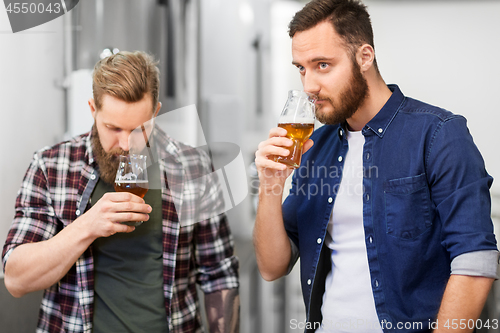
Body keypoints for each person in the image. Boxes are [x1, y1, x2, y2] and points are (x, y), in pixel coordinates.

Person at [253, 1, 498, 332]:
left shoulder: (438, 134)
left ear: (364, 57)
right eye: (301, 68)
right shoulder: (314, 149)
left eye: (322, 65)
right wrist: (270, 185)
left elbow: (475, 261)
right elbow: (272, 266)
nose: (308, 86)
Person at [2, 51, 239, 333]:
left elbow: (219, 274)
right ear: (93, 109)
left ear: (156, 112)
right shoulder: (51, 166)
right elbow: (16, 280)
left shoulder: (193, 165)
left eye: (139, 129)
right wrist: (87, 226)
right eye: (113, 128)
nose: (126, 144)